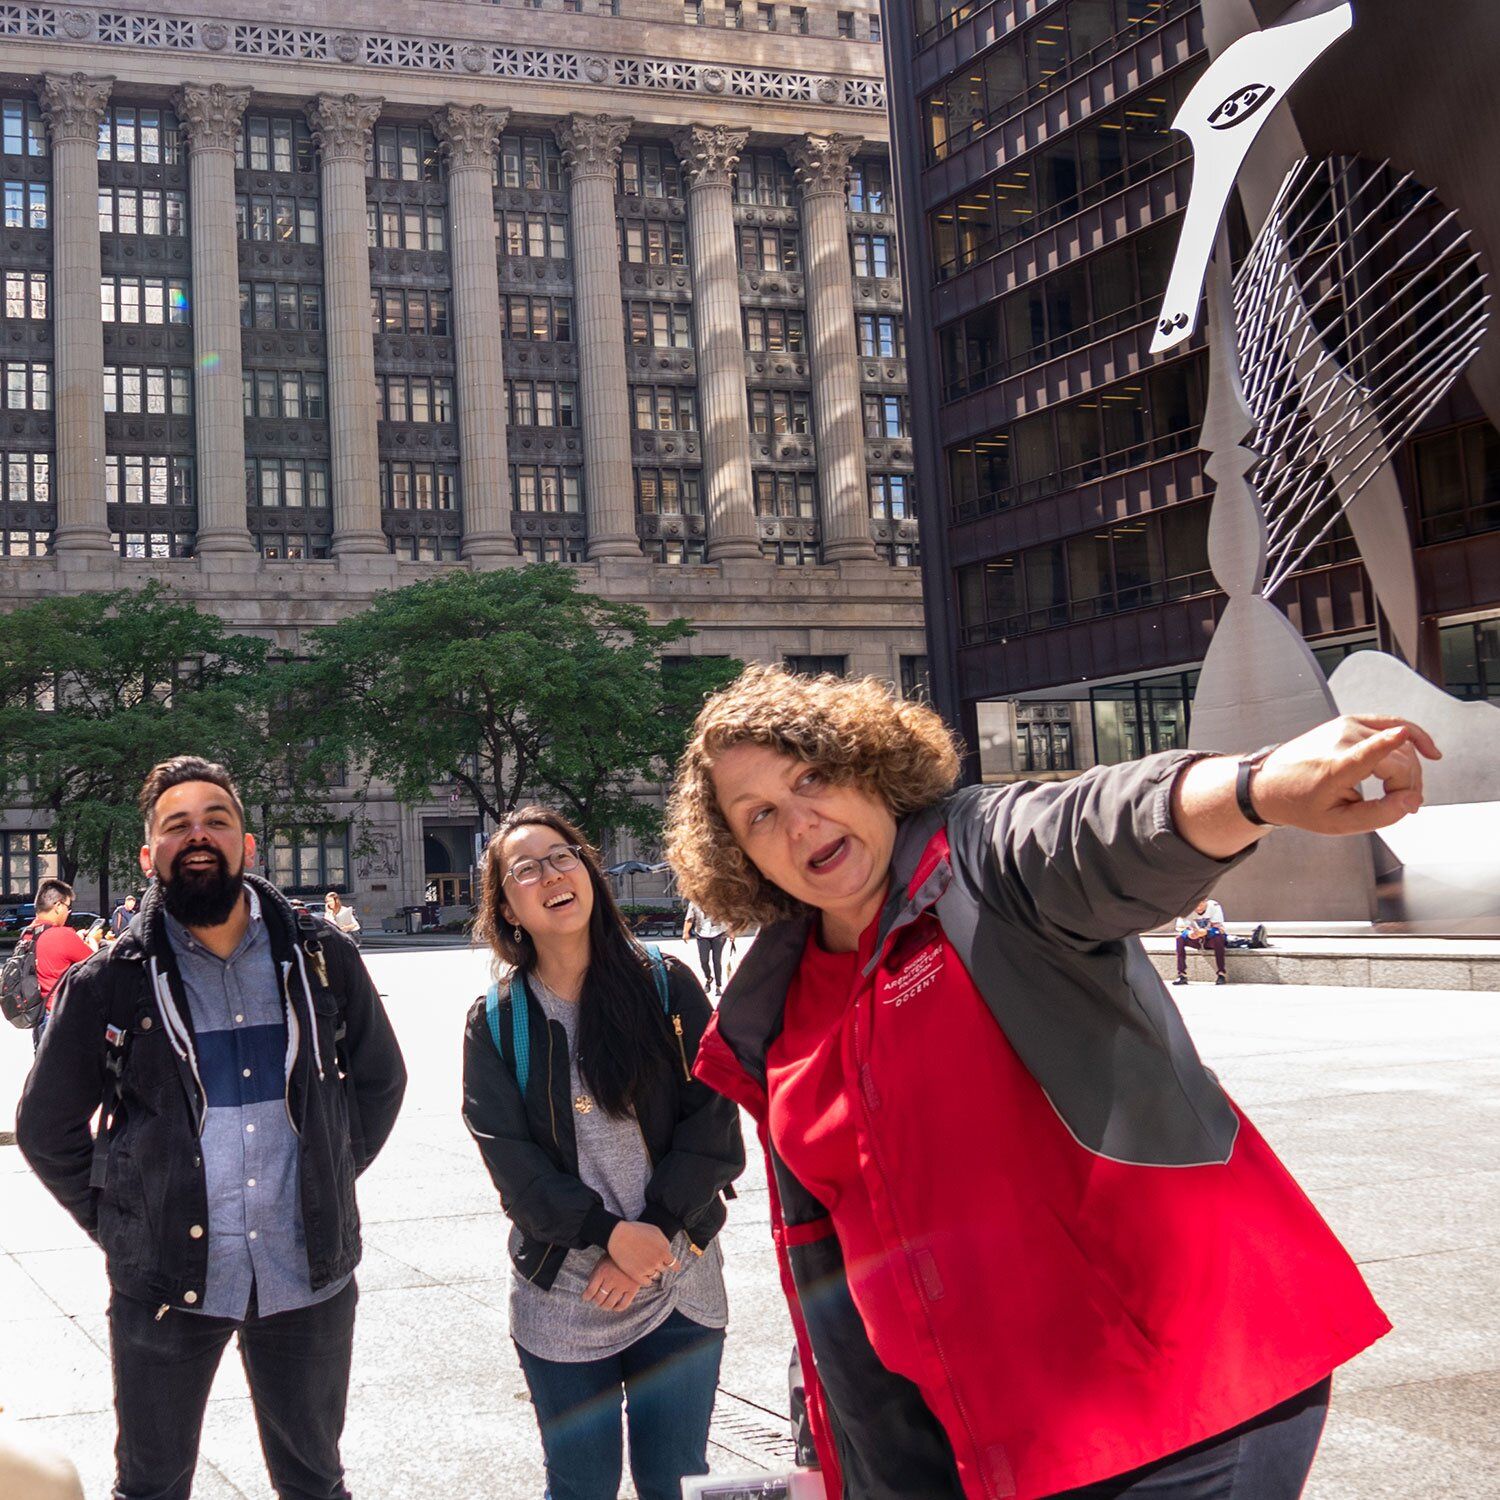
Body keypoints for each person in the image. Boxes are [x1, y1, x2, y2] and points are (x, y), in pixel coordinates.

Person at [664, 665, 1435, 1500]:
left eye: (812, 775)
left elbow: (1097, 826)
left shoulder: (982, 860)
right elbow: (841, 1258)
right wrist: (831, 1447)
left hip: (1181, 1398)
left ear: (867, 764)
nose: (799, 819)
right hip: (984, 1450)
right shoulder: (777, 1010)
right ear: (740, 859)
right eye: (760, 816)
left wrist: (1252, 788)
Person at [16, 755, 407, 1500]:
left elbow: (382, 1082)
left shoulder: (323, 956)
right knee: (152, 1485)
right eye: (177, 825)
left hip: (309, 1279)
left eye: (216, 820)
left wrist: (325, 1180)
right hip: (164, 1284)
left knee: (316, 1484)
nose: (198, 836)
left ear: (247, 844)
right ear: (150, 853)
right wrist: (125, 1220)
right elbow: (45, 1125)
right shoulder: (112, 979)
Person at [462, 806, 744, 1500]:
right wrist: (610, 1236)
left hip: (679, 1283)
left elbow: (715, 1125)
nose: (552, 874)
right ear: (508, 907)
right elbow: (514, 1169)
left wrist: (657, 1230)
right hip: (563, 1296)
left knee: (674, 1482)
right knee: (581, 1487)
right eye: (526, 869)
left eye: (563, 855)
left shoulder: (665, 985)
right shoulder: (496, 1022)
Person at [24, 879, 93, 1048]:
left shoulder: (28, 933)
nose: (68, 912)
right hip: (61, 1016)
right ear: (58, 906)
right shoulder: (62, 935)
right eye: (68, 907)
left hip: (39, 1014)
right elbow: (94, 962)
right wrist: (92, 941)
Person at [1176, 896, 1227, 984]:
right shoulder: (1186, 909)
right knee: (1179, 939)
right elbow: (1181, 928)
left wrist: (1206, 932)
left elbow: (1220, 929)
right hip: (1196, 938)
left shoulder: (1214, 906)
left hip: (1210, 938)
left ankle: (1221, 973)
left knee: (1218, 936)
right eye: (1195, 906)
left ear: (1205, 901)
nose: (1198, 908)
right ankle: (1182, 974)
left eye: (1201, 904)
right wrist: (1189, 934)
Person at [681, 900, 728, 996]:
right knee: (704, 960)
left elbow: (728, 917)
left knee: (716, 960)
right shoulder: (694, 902)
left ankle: (718, 986)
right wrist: (685, 932)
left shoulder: (719, 899)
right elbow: (690, 918)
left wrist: (732, 932)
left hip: (719, 934)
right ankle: (709, 978)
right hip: (702, 934)